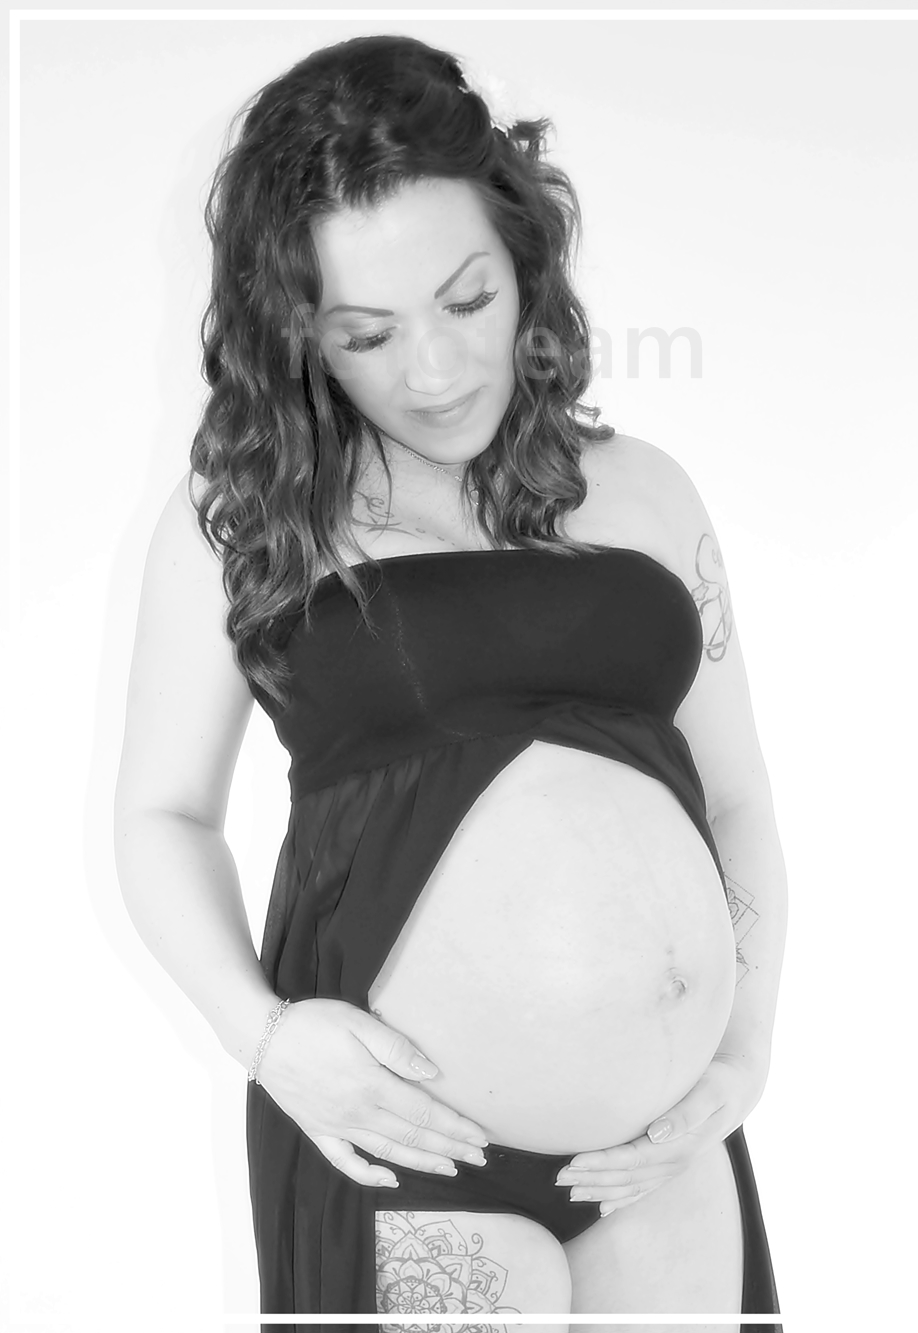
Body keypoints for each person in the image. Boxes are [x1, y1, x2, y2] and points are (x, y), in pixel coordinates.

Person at [113, 33, 787, 1333]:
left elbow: (740, 801)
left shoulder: (647, 492)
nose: (432, 371)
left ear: (525, 263)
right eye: (367, 334)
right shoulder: (249, 519)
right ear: (297, 334)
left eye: (467, 302)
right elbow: (161, 815)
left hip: (660, 1158)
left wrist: (745, 1046)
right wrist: (262, 1035)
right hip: (403, 1147)